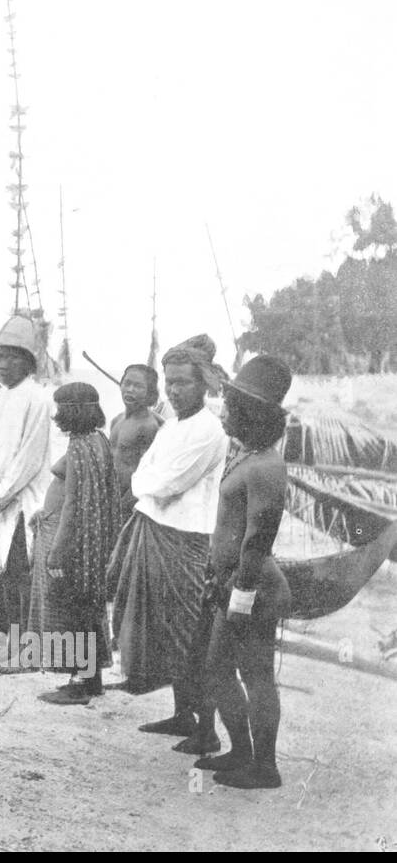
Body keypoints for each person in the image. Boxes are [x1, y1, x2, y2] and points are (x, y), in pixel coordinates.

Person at [108, 335, 228, 749]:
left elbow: (168, 481)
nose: (176, 391)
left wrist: (146, 484)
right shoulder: (173, 425)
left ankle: (207, 729)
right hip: (154, 529)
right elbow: (147, 474)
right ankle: (181, 715)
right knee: (160, 628)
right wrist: (147, 484)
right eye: (171, 383)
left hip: (186, 540)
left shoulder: (210, 430)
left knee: (189, 634)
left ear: (205, 384)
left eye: (185, 383)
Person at [194, 356, 293, 789]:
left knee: (255, 675)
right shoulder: (246, 456)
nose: (222, 412)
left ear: (251, 414)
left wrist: (240, 598)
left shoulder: (267, 467)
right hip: (232, 585)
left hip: (253, 588)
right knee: (216, 671)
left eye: (231, 406)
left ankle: (265, 767)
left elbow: (258, 541)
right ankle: (242, 752)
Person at [0, 315, 51, 670]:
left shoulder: (39, 399)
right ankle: (1, 639)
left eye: (11, 357)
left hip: (19, 502)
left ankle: (23, 649)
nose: (2, 364)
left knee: (18, 576)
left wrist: (1, 494)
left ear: (29, 361)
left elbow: (29, 458)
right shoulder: (2, 397)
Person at [32, 383, 120, 704]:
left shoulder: (80, 447)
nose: (57, 417)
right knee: (87, 609)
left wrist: (57, 549)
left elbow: (72, 504)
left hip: (77, 545)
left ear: (75, 410)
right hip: (92, 543)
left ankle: (81, 682)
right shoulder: (100, 441)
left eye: (62, 409)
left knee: (75, 610)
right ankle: (90, 679)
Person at [109, 364, 164, 523]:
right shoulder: (116, 420)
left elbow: (148, 473)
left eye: (138, 386)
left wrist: (125, 504)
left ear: (150, 392)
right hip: (111, 497)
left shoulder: (148, 426)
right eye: (127, 383)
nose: (130, 389)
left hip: (130, 503)